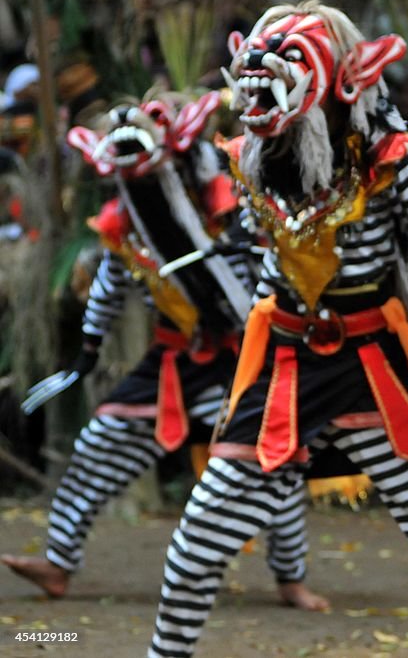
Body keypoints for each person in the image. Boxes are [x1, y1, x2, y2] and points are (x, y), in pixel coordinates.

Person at [148, 1, 408, 657]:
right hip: (282, 368)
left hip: (374, 372)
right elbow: (251, 245)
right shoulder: (250, 157)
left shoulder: (386, 159)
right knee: (194, 546)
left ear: (339, 81)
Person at [1, 93, 326, 611]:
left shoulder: (234, 200)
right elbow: (112, 282)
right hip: (175, 360)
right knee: (98, 443)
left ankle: (291, 578)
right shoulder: (127, 219)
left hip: (245, 360)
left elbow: (285, 260)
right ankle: (58, 563)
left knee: (271, 462)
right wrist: (89, 350)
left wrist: (251, 246)